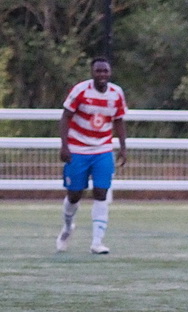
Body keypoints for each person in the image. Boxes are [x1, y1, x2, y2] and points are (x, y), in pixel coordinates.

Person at [56, 56, 128, 254]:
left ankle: (97, 241)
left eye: (105, 71)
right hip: (78, 149)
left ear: (110, 72)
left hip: (103, 149)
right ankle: (68, 227)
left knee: (101, 192)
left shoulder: (116, 93)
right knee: (74, 195)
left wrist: (122, 147)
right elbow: (65, 117)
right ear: (92, 72)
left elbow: (119, 120)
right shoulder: (80, 91)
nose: (102, 74)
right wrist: (64, 146)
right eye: (98, 71)